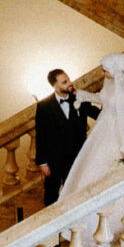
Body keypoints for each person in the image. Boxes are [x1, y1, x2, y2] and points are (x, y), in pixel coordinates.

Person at [58, 52, 124, 201]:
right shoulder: (112, 83)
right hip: (105, 128)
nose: (103, 72)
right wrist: (82, 95)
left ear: (116, 70)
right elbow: (104, 99)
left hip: (122, 132)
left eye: (105, 69)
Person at [33, 68, 100, 205]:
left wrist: (113, 106)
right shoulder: (44, 106)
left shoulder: (79, 99)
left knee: (76, 192)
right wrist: (42, 162)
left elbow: (97, 114)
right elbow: (41, 135)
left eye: (68, 79)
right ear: (55, 86)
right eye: (64, 82)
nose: (70, 83)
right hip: (55, 159)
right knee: (51, 195)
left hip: (78, 155)